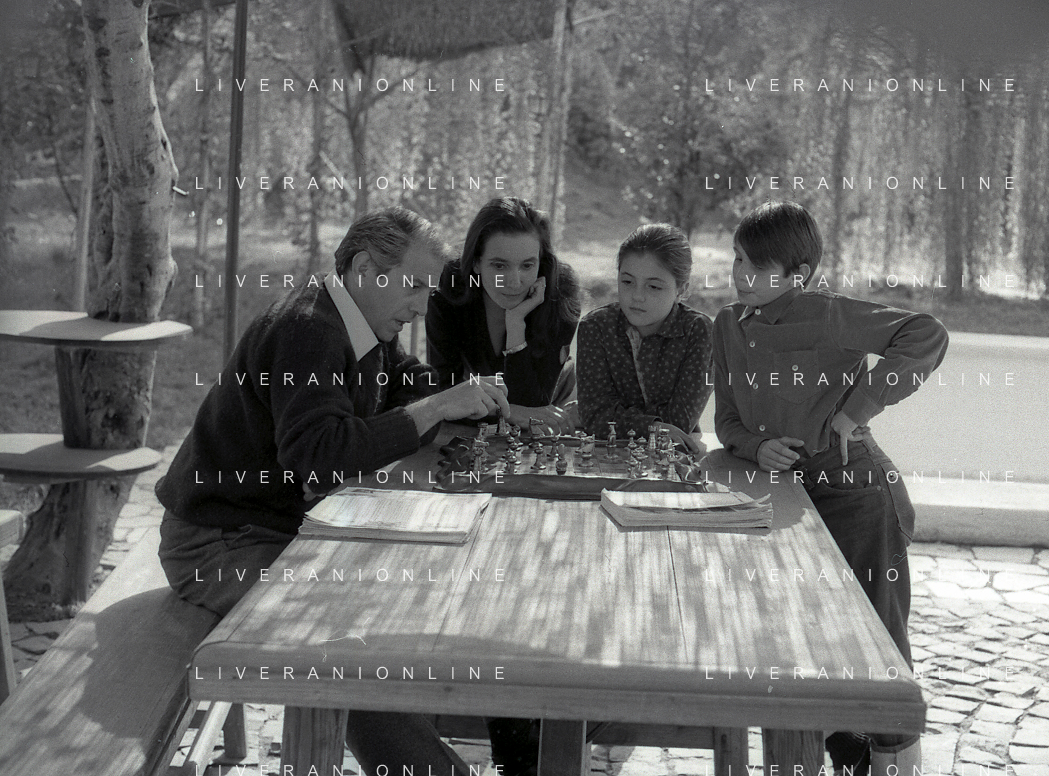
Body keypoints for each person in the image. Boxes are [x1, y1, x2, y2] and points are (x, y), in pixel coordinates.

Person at [156, 207, 509, 776]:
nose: (422, 305)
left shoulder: (355, 319)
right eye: (414, 285)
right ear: (366, 268)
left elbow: (400, 382)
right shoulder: (308, 330)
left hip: (271, 529)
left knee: (407, 598)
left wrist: (470, 397)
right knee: (341, 647)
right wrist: (440, 406)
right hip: (217, 544)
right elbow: (320, 455)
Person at [711, 200, 948, 775]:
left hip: (857, 495)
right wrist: (754, 446)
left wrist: (856, 409)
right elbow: (726, 421)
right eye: (738, 259)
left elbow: (925, 334)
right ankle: (830, 754)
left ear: (799, 275)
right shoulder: (727, 326)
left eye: (758, 266)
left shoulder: (829, 314)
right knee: (801, 634)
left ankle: (894, 765)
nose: (742, 274)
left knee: (879, 639)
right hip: (782, 500)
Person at [425, 196, 581, 437]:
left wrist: (516, 324)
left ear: (540, 262)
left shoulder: (561, 294)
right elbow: (444, 392)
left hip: (557, 402)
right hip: (487, 407)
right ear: (476, 262)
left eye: (527, 266)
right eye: (499, 266)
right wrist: (508, 412)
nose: (514, 282)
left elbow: (534, 406)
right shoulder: (449, 290)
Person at [576, 223, 713, 455]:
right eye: (627, 282)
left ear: (682, 289)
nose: (637, 296)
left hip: (674, 456)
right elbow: (594, 416)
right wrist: (655, 427)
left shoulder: (697, 331)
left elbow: (680, 423)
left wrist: (620, 420)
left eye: (654, 287)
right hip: (607, 454)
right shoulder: (596, 327)